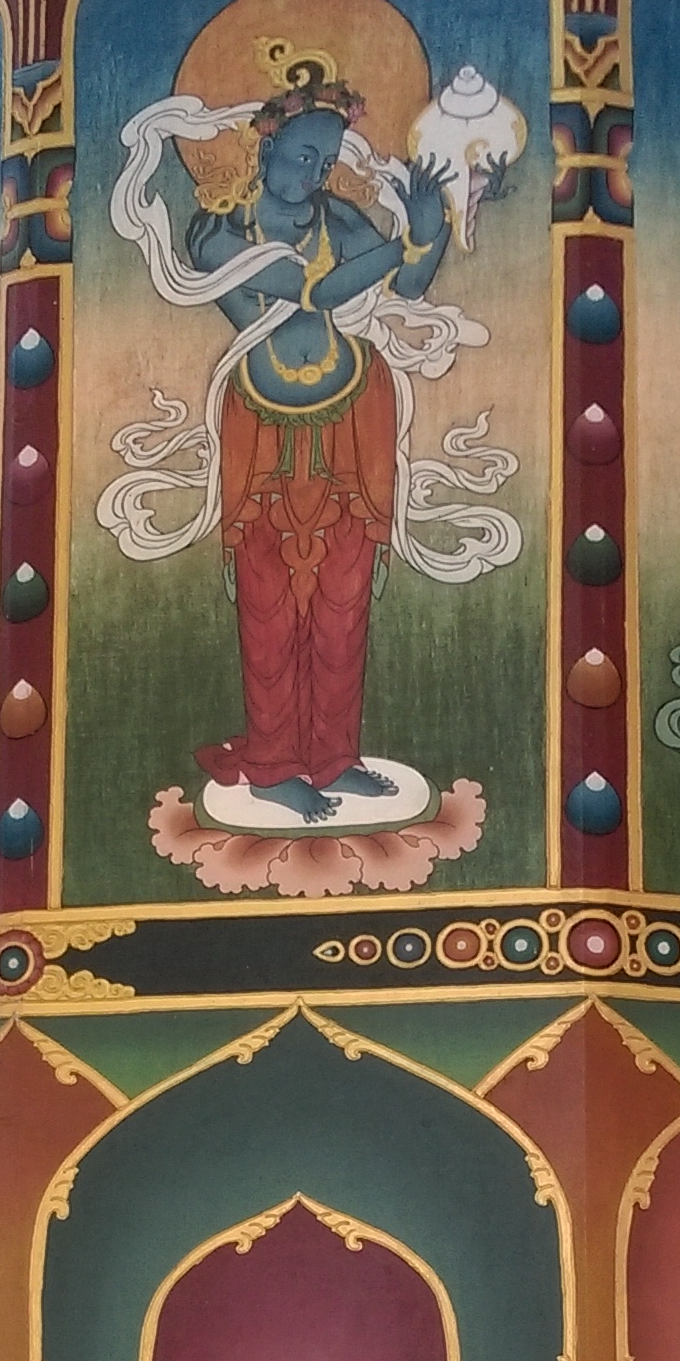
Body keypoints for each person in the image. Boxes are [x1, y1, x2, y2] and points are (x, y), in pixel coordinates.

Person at [179, 64, 453, 823]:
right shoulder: (221, 231)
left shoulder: (339, 218)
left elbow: (409, 286)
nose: (315, 173)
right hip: (263, 419)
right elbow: (303, 292)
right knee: (269, 603)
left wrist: (428, 231)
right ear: (264, 148)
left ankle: (334, 757)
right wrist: (401, 245)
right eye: (303, 155)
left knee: (343, 598)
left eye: (327, 161)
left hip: (352, 411)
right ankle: (273, 767)